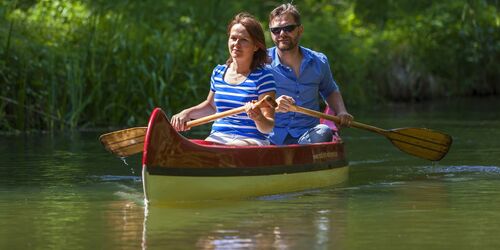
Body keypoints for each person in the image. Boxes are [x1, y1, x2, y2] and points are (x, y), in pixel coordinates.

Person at [171, 13, 276, 146]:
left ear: (256, 46)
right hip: (219, 137)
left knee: (227, 150)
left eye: (244, 40)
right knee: (188, 149)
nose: (236, 44)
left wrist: (258, 117)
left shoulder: (264, 76)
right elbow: (211, 106)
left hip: (252, 140)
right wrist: (187, 113)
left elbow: (268, 126)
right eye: (233, 38)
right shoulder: (219, 72)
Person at [267, 3, 353, 145]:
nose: (282, 34)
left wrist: (342, 111)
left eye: (288, 28)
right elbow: (249, 98)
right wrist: (273, 105)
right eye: (276, 30)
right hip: (271, 136)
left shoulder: (319, 61)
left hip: (308, 136)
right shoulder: (261, 63)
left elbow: (330, 90)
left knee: (324, 131)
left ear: (300, 30)